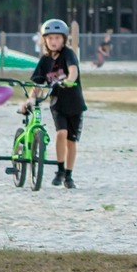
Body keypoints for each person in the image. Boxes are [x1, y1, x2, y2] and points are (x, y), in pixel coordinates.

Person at [31, 18, 84, 189]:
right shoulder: (44, 61)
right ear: (45, 40)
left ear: (64, 39)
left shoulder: (68, 54)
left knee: (71, 141)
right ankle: (60, 170)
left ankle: (69, 175)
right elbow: (38, 84)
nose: (53, 41)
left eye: (57, 38)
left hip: (74, 103)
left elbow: (73, 70)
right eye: (50, 38)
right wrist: (30, 99)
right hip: (57, 103)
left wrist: (70, 80)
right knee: (61, 133)